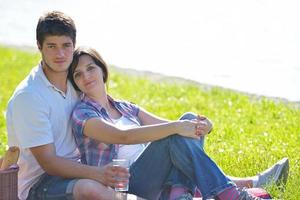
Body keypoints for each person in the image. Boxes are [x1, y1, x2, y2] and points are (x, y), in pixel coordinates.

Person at [68, 46, 289, 200]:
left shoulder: (125, 107)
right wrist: (177, 127)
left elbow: (179, 127)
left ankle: (180, 195)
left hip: (157, 178)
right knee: (175, 132)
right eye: (78, 75)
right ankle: (230, 194)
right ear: (75, 83)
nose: (86, 77)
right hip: (125, 185)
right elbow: (123, 137)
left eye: (90, 68)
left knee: (187, 120)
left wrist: (203, 126)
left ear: (102, 69)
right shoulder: (82, 114)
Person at [6, 11, 133, 200]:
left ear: (73, 45)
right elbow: (49, 163)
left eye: (66, 46)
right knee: (90, 189)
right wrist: (98, 173)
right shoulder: (29, 96)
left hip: (81, 167)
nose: (60, 54)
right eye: (51, 46)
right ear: (39, 46)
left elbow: (108, 108)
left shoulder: (76, 80)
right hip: (38, 183)